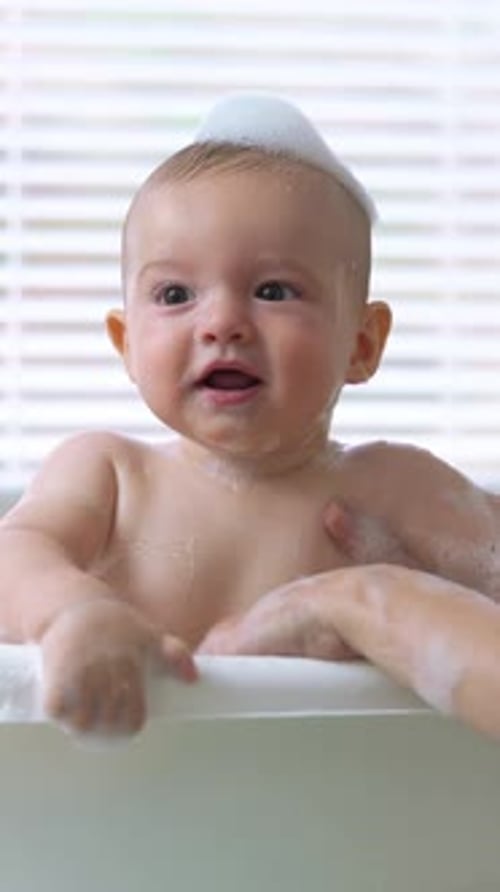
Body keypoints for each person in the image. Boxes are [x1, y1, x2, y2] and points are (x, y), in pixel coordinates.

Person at [0, 93, 498, 739]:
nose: (222, 323)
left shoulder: (392, 487)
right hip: (141, 805)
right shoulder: (112, 474)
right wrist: (73, 613)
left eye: (273, 291)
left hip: (333, 809)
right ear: (125, 345)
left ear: (363, 344)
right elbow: (16, 553)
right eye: (175, 294)